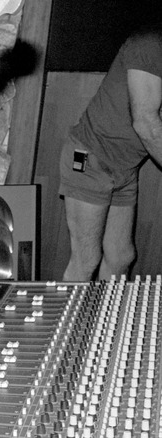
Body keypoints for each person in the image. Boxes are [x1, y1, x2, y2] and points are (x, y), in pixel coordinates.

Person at [59, 24, 162, 281]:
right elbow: (146, 123)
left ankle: (105, 320)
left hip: (125, 168)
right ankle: (69, 321)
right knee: (86, 259)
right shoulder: (149, 43)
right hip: (89, 158)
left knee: (120, 257)